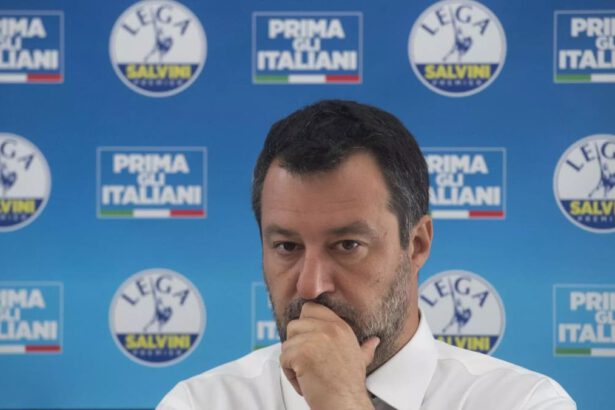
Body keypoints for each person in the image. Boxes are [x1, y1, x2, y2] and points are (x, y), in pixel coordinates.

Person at [157, 100, 576, 410]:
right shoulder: (199, 403)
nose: (311, 285)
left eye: (347, 245)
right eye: (287, 247)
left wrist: (342, 402)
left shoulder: (523, 402)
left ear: (417, 244)